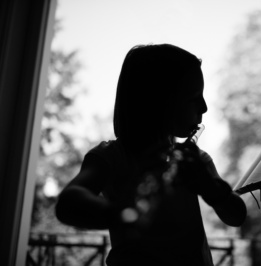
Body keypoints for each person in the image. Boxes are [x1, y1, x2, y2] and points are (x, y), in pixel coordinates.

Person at [55, 43, 247, 266]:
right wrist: (125, 215)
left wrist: (211, 188)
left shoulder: (194, 161)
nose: (204, 107)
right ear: (159, 101)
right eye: (194, 97)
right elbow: (68, 203)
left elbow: (237, 216)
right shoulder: (113, 156)